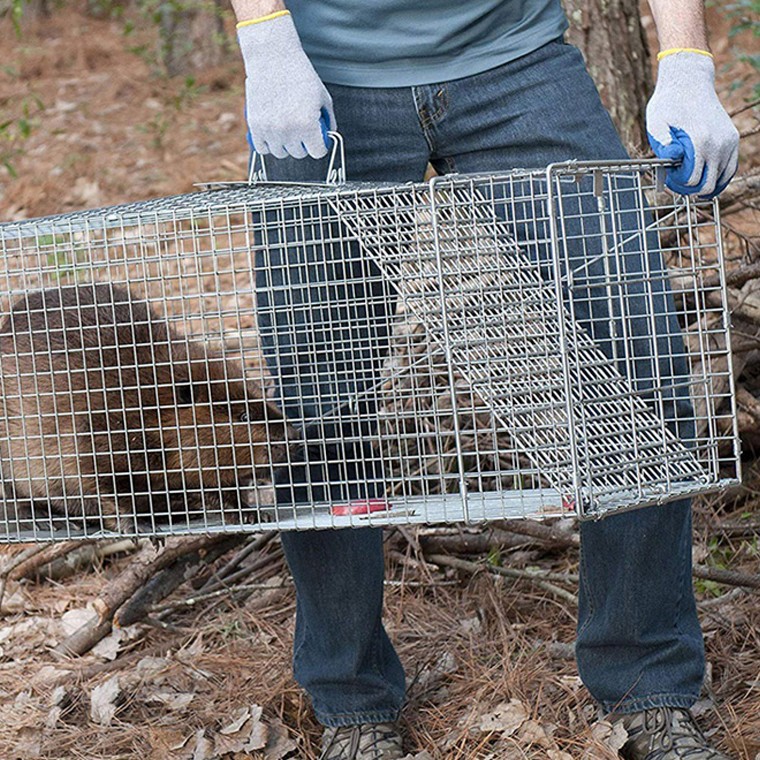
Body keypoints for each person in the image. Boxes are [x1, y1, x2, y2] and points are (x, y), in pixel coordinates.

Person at [230, 0, 740, 758]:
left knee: (637, 366)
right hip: (322, 76)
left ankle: (649, 691)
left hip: (519, 63)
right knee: (318, 396)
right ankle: (353, 708)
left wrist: (686, 62)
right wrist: (265, 40)